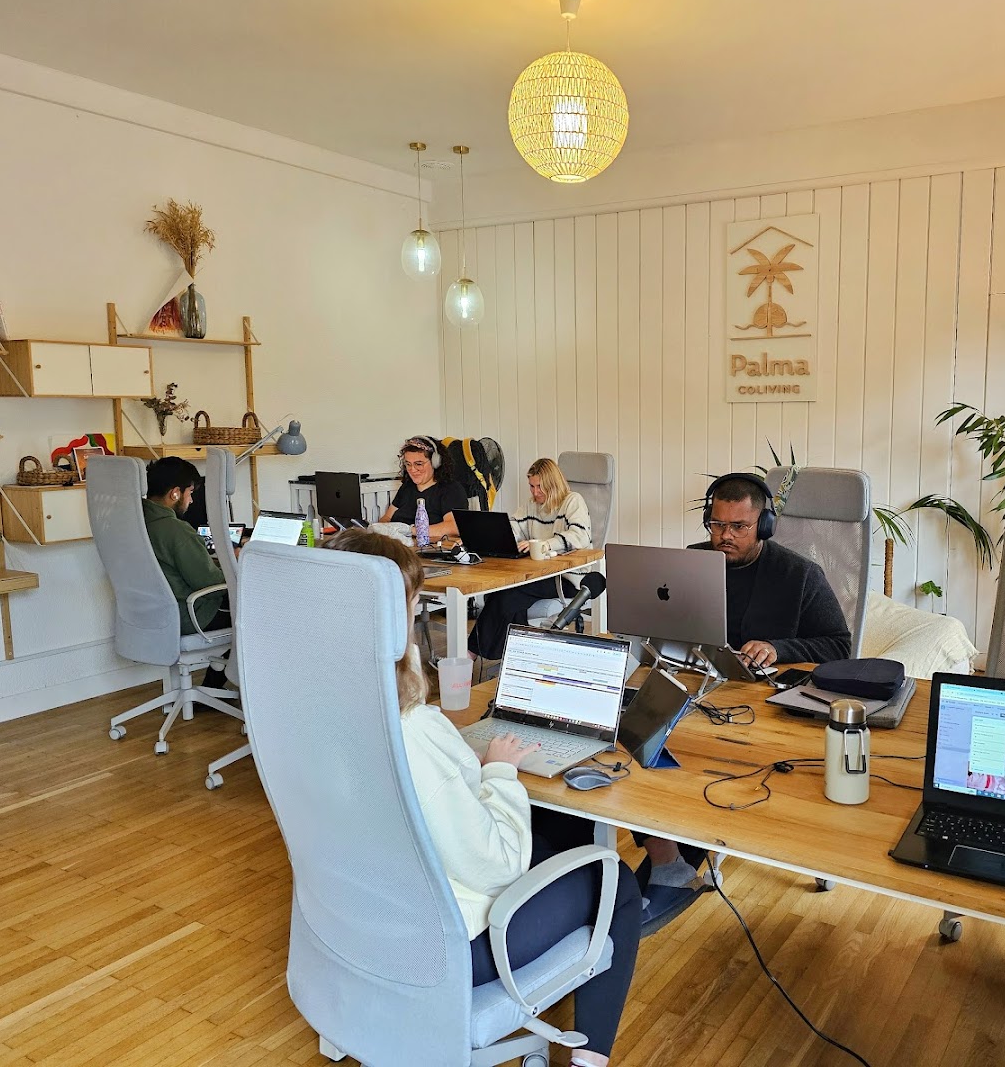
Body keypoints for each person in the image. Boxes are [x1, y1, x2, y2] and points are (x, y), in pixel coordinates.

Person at [325, 529, 641, 1066]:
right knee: (618, 882)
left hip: (360, 923)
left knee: (561, 828)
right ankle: (591, 1059)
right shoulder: (411, 732)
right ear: (387, 619)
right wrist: (498, 770)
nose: (416, 618)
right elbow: (497, 867)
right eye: (411, 604)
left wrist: (468, 765)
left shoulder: (315, 707)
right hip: (448, 949)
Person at [636, 472, 851, 933]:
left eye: (739, 527)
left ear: (764, 526)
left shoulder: (799, 575)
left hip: (765, 706)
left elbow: (839, 644)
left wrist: (780, 648)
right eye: (717, 524)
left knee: (694, 758)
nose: (724, 536)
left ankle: (680, 857)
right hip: (697, 690)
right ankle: (667, 861)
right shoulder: (690, 563)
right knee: (635, 737)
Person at [467, 457, 592, 659]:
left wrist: (545, 544)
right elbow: (514, 528)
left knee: (507, 595)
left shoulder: (572, 501)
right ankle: (514, 654)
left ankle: (471, 654)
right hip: (539, 574)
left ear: (552, 484)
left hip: (568, 579)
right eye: (532, 486)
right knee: (502, 592)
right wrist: (495, 536)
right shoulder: (531, 505)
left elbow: (580, 536)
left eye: (539, 487)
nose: (535, 492)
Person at [143, 456, 229, 687]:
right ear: (175, 493)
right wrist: (236, 567)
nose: (191, 500)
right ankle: (217, 688)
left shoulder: (135, 522)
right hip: (189, 616)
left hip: (151, 614)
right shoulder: (176, 530)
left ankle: (213, 687)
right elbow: (210, 584)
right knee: (254, 613)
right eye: (190, 493)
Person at [379, 435, 469, 538]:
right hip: (399, 543)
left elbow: (453, 527)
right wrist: (383, 529)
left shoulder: (451, 489)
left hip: (427, 546)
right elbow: (387, 517)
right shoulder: (407, 487)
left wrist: (409, 531)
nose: (412, 470)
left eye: (418, 464)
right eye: (408, 464)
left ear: (435, 462)